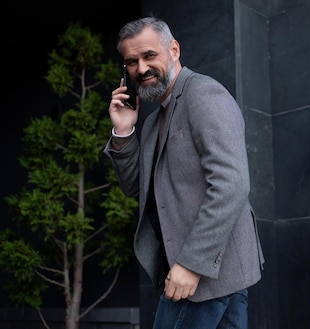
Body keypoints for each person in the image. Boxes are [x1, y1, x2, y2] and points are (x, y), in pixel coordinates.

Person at [103, 16, 264, 329]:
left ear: (174, 49)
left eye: (150, 55)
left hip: (202, 273)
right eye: (132, 61)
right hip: (203, 273)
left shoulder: (203, 94)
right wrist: (124, 131)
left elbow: (231, 184)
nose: (142, 68)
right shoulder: (151, 121)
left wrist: (192, 264)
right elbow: (136, 187)